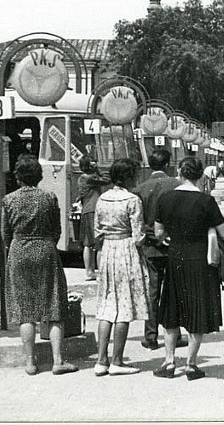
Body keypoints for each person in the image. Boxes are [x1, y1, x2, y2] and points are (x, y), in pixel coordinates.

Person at [154, 156, 224, 380]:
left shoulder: (166, 198)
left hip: (175, 258)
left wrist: (170, 238)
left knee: (171, 311)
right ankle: (191, 364)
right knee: (197, 311)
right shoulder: (206, 202)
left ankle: (169, 362)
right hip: (200, 261)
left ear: (180, 172)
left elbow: (159, 232)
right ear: (200, 175)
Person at [2, 155, 76, 375]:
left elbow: (6, 234)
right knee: (53, 307)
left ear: (17, 177)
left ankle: (30, 363)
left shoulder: (9, 200)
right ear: (39, 176)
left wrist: (17, 244)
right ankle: (58, 360)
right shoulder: (49, 197)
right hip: (45, 250)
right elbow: (56, 230)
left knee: (25, 311)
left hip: (19, 251)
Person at [94, 158, 151, 376]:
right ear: (128, 176)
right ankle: (117, 360)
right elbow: (138, 236)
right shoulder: (132, 200)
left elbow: (97, 232)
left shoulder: (102, 198)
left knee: (107, 306)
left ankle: (101, 360)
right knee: (124, 307)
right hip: (126, 249)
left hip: (108, 250)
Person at [132, 149, 187, 351]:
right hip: (173, 244)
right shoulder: (177, 186)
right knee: (174, 290)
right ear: (168, 164)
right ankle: (175, 333)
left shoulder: (140, 189)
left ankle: (151, 336)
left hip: (150, 246)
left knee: (152, 292)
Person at [77, 156, 109, 281]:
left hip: (86, 210)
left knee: (87, 243)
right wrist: (98, 170)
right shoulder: (90, 178)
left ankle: (89, 272)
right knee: (98, 243)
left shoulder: (82, 177)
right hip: (93, 210)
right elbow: (107, 180)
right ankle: (100, 273)